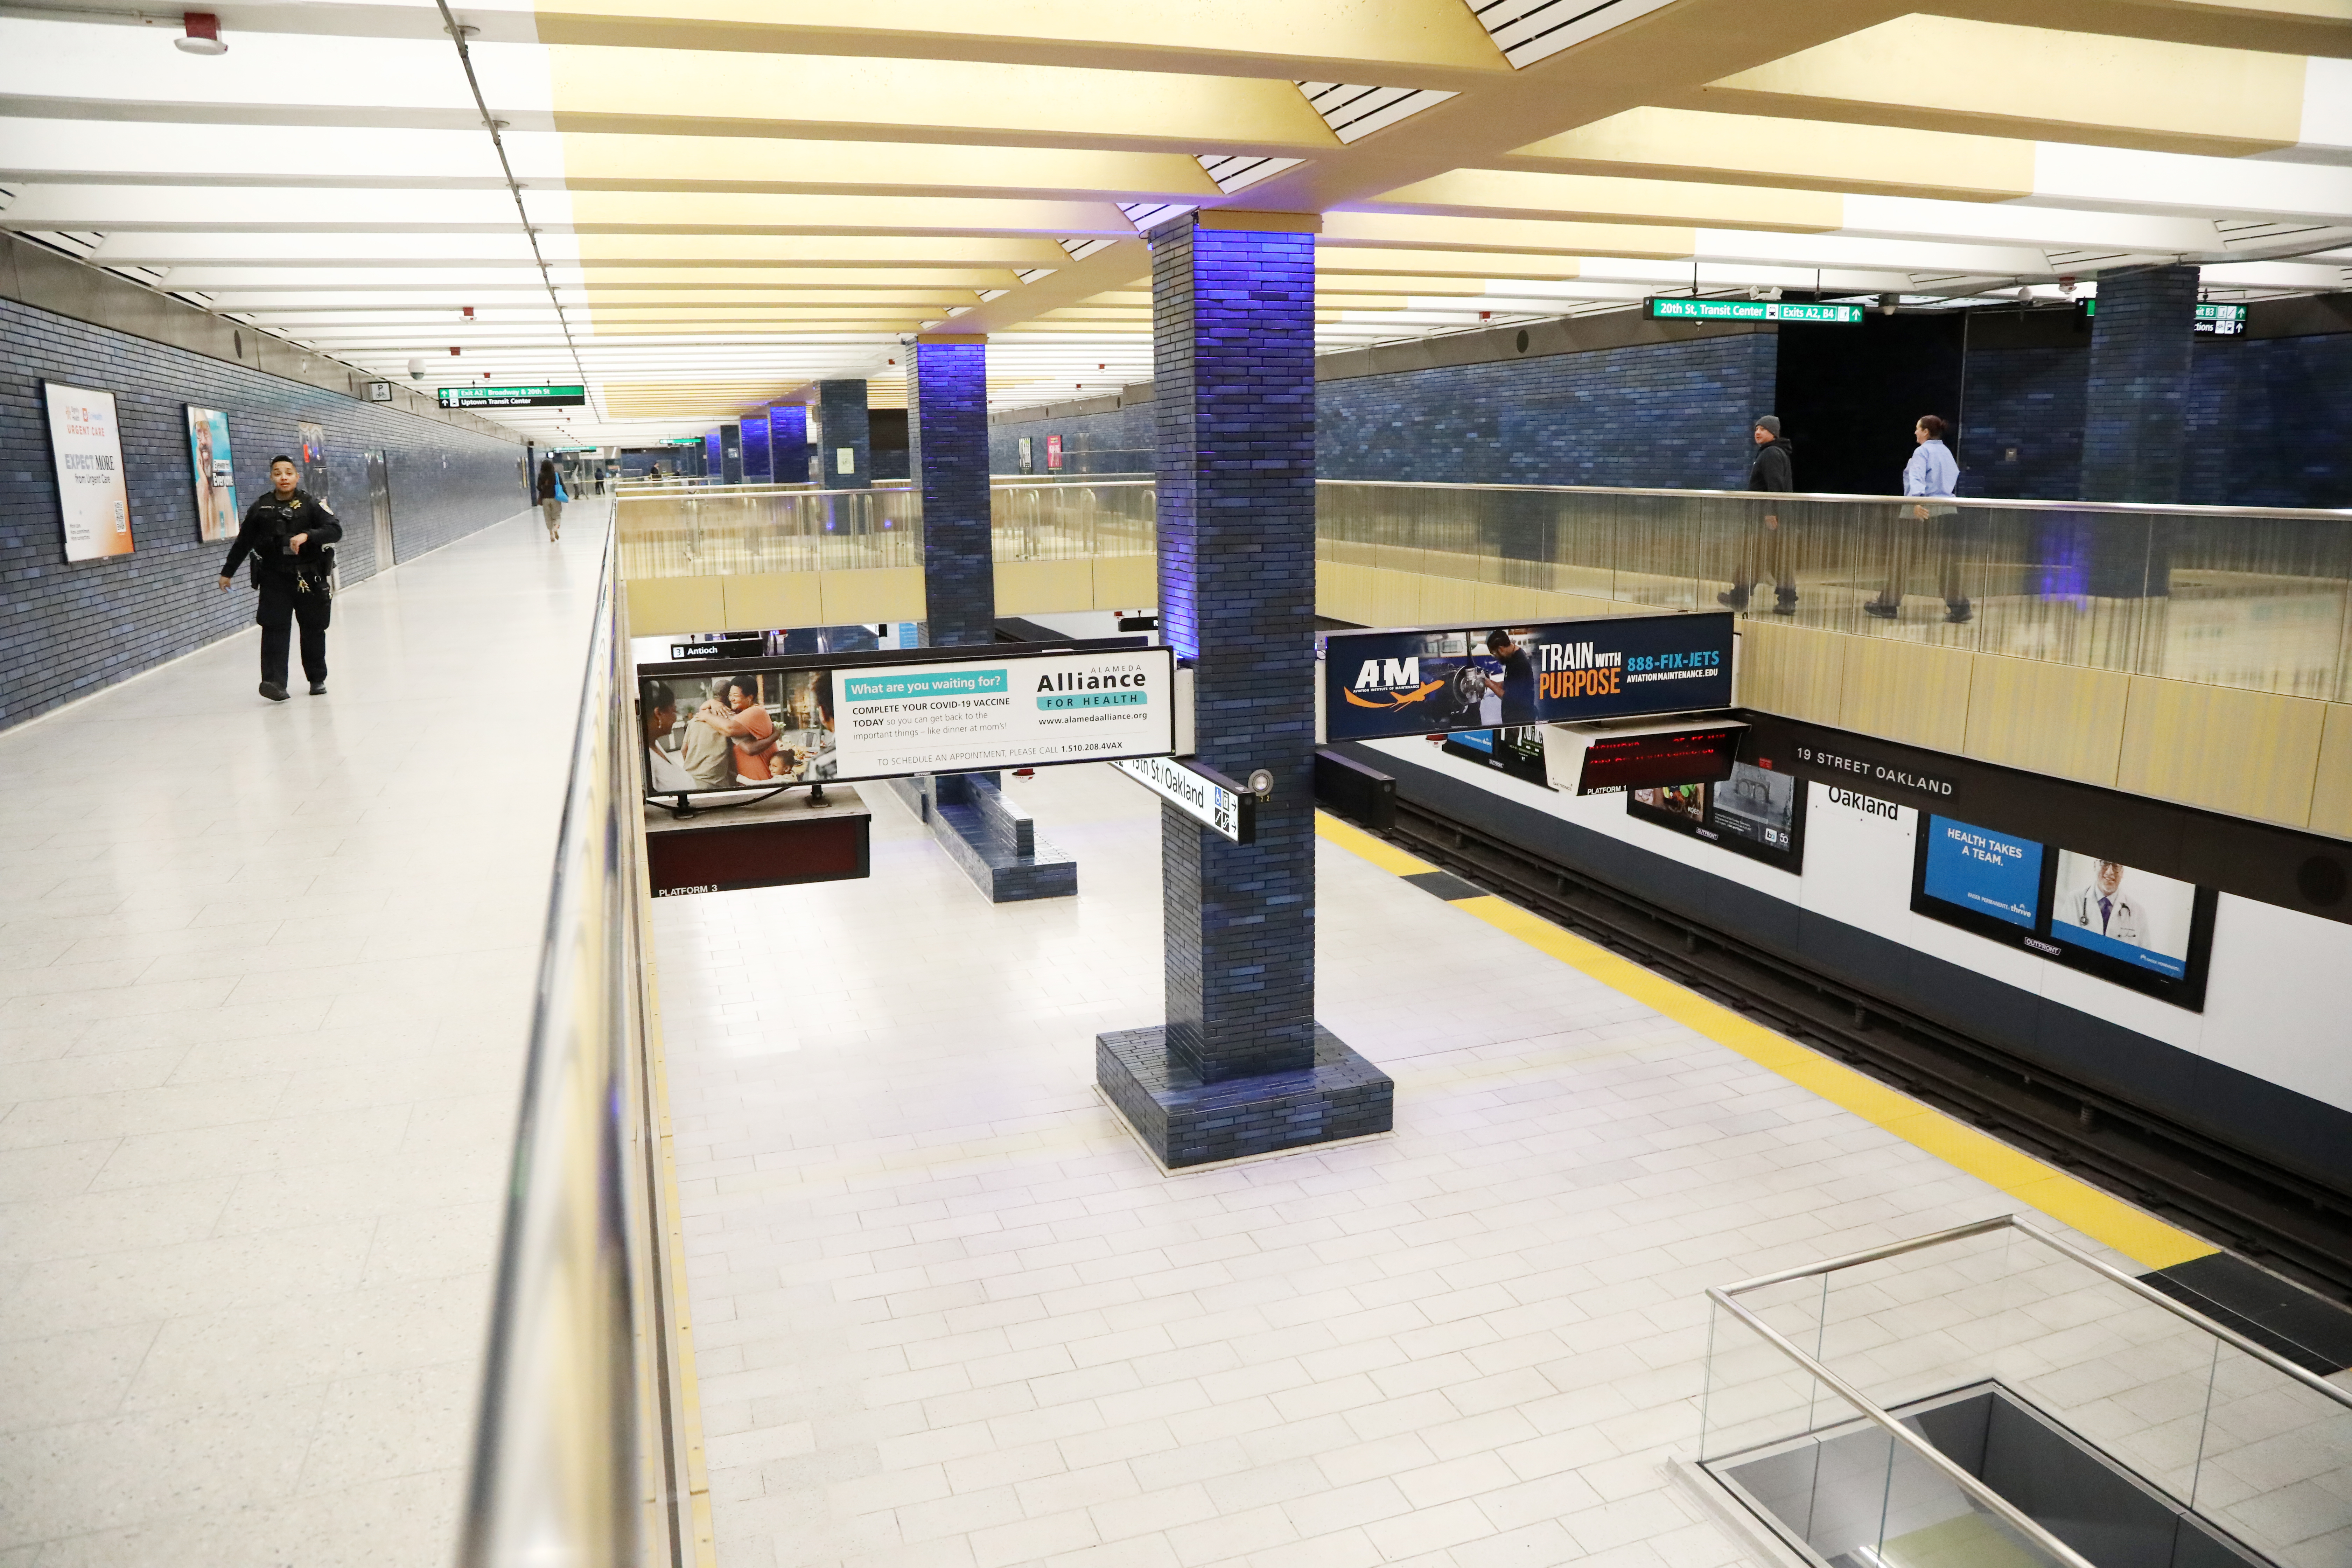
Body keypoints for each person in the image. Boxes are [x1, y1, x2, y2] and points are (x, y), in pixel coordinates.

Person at [218, 455, 341, 701]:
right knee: (274, 628)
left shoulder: (311, 505)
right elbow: (244, 542)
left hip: (309, 576)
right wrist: (228, 572)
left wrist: (308, 535)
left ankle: (317, 679)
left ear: (297, 476)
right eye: (277, 473)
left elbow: (335, 530)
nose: (283, 477)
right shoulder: (261, 508)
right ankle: (275, 683)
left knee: (313, 629)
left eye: (288, 473)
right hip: (275, 577)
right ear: (272, 477)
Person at [1865, 415, 1970, 623]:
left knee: (1903, 560)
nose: (1915, 432)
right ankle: (1960, 607)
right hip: (1947, 512)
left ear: (1926, 432)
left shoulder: (1922, 452)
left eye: (1917, 429)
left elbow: (1917, 479)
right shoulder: (1947, 452)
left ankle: (1887, 604)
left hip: (1922, 513)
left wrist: (1917, 502)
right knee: (1945, 562)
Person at [1720, 415, 1797, 615]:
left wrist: (1770, 512)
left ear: (1774, 433)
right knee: (1774, 559)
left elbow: (1775, 485)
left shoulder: (1771, 453)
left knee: (1752, 556)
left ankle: (1739, 598)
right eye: (1757, 429)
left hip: (1765, 519)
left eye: (1763, 429)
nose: (1758, 432)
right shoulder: (1777, 452)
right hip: (1772, 517)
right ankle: (1787, 602)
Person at [641, 681, 702, 793]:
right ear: (658, 713)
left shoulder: (653, 744)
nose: (675, 718)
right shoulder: (644, 760)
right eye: (674, 711)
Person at [2063, 859, 2142, 945]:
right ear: (2095, 866)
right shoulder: (2074, 900)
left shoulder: (2138, 912)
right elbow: (2062, 941)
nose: (2110, 872)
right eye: (2105, 863)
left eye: (2116, 866)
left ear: (2122, 873)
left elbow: (2144, 953)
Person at [1480, 629, 1540, 727]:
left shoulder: (1519, 663)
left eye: (1495, 654)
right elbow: (1508, 685)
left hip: (1521, 720)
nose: (1496, 658)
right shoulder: (1512, 658)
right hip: (1514, 718)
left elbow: (1509, 698)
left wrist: (1490, 685)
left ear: (1500, 649)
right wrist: (1488, 681)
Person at [536, 457, 563, 540]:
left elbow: (538, 487)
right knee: (557, 516)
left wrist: (544, 489)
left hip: (545, 499)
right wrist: (565, 495)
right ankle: (556, 527)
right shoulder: (556, 474)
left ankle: (551, 534)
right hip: (556, 498)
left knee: (548, 517)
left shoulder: (541, 475)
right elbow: (561, 485)